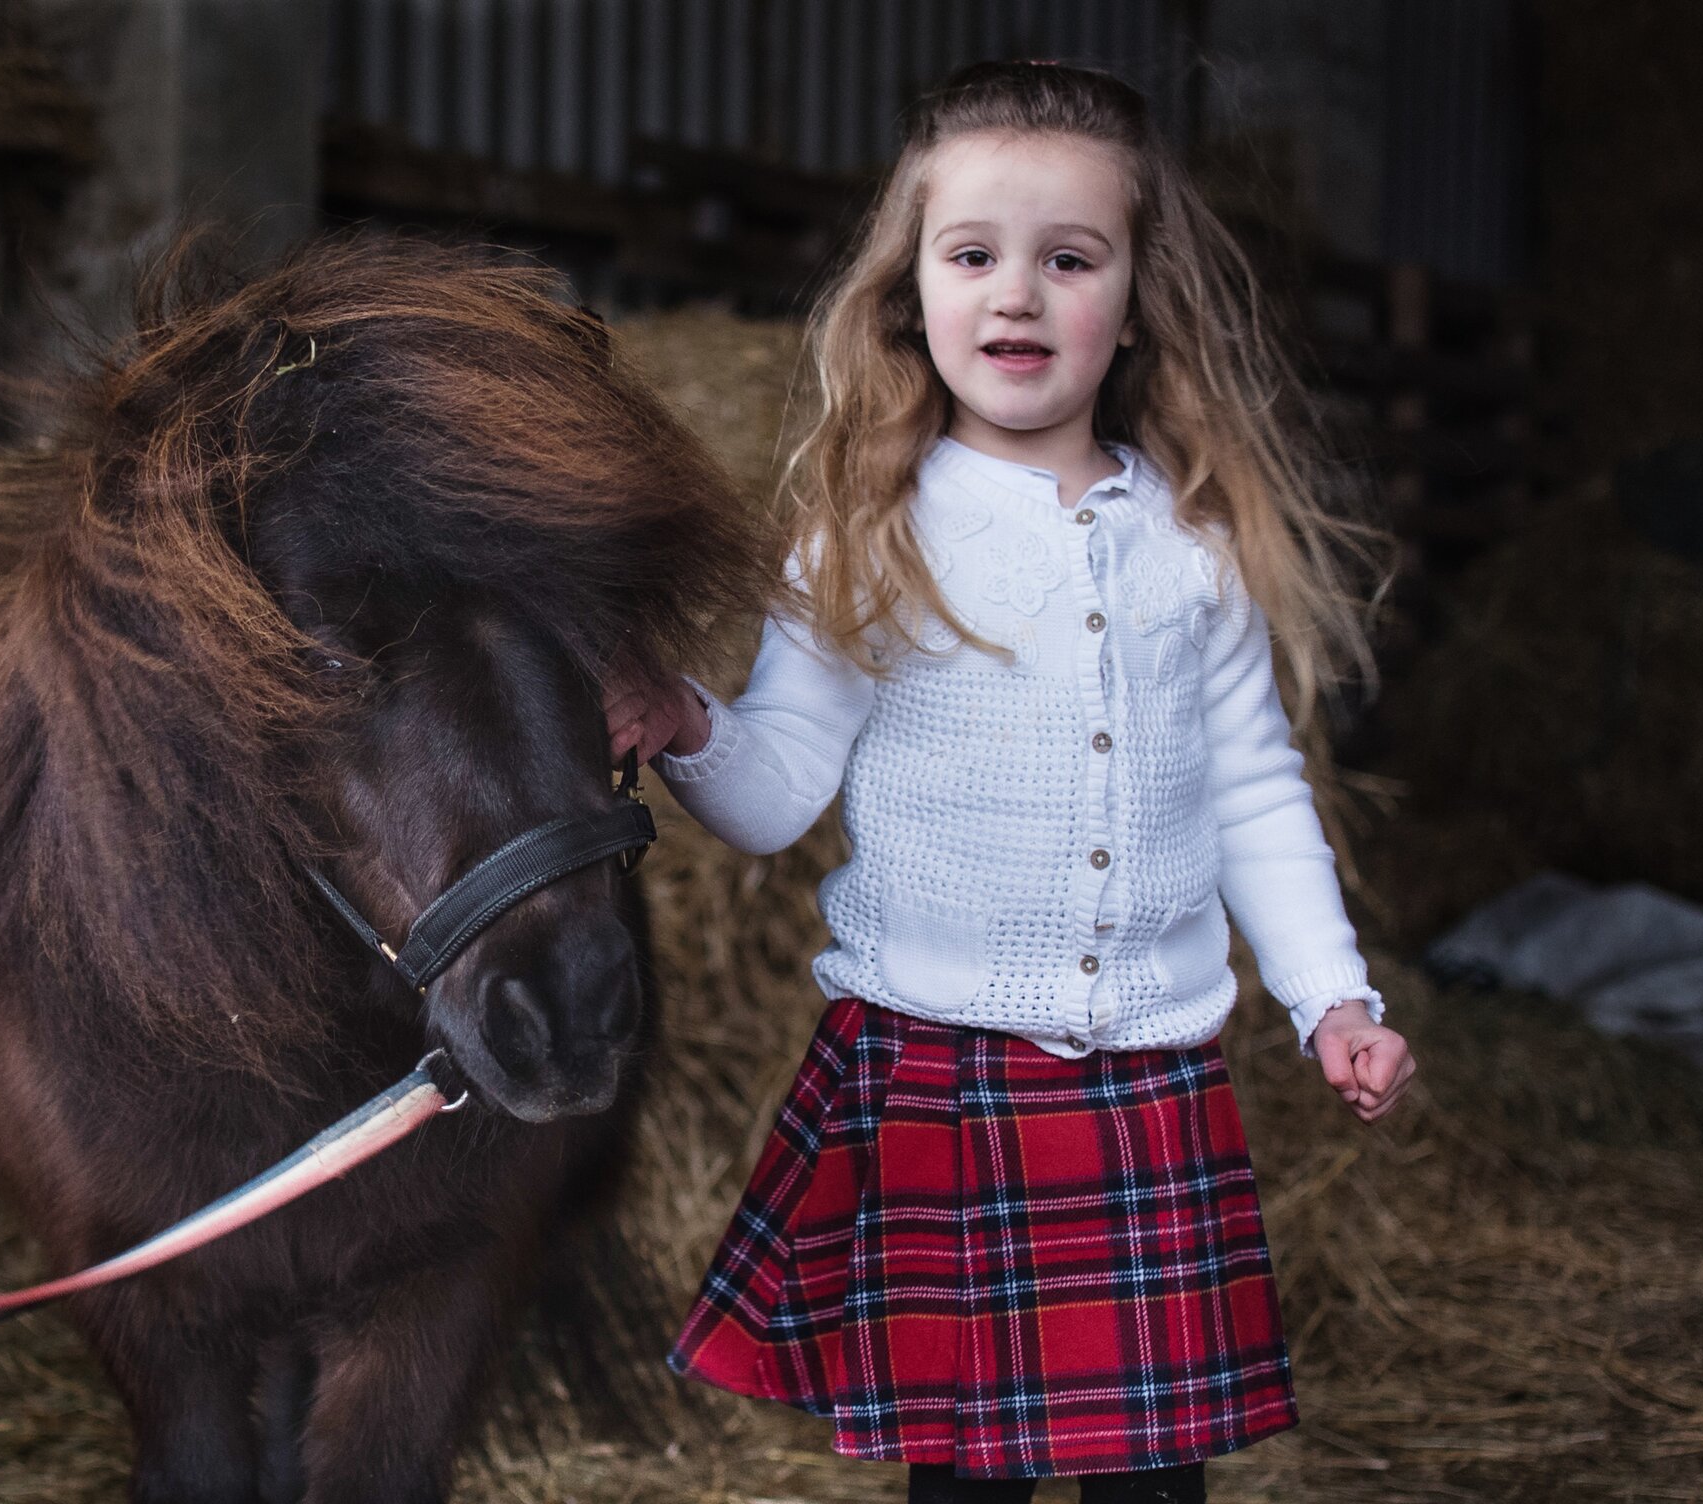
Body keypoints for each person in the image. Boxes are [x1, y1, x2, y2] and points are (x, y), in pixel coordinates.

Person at [606, 60, 1416, 1504]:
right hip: (940, 1073)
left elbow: (1252, 791)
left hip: (1147, 1081)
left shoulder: (1195, 537)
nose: (1019, 296)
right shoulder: (869, 532)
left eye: (1070, 259)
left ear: (1136, 295)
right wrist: (683, 719)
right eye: (973, 255)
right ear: (909, 289)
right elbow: (778, 794)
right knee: (965, 1483)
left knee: (1156, 1483)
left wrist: (1331, 998)